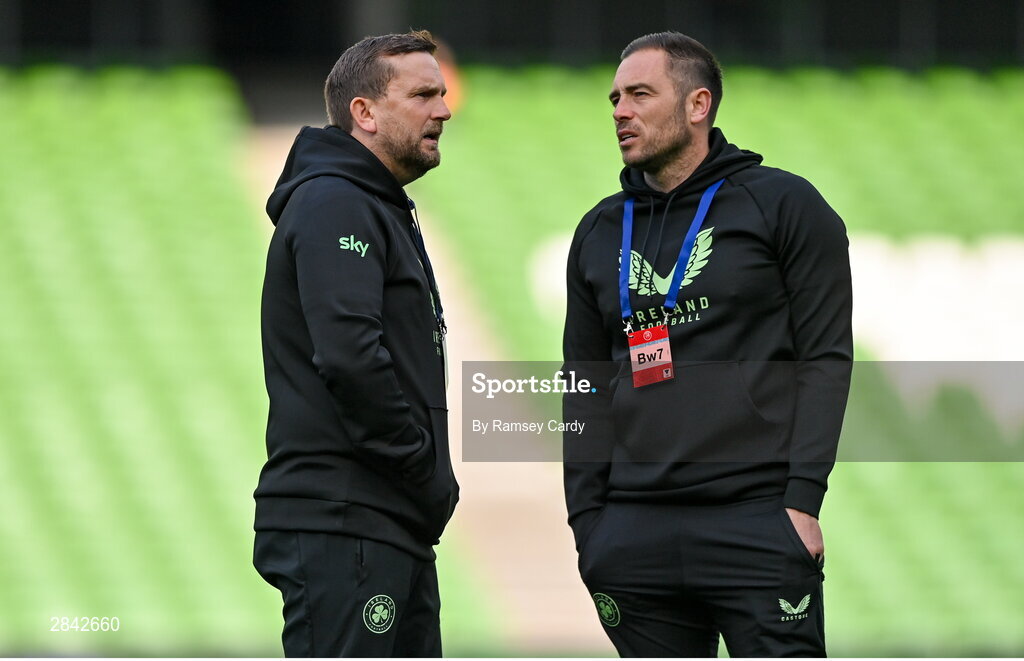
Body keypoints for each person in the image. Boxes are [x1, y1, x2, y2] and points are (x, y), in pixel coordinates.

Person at [562, 32, 852, 657]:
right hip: (631, 531)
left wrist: (801, 502)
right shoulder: (598, 229)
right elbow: (581, 384)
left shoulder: (783, 205)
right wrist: (588, 524)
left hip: (755, 519)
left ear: (698, 105)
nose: (619, 110)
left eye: (640, 94)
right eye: (614, 97)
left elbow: (825, 358)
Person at [252, 30, 458, 657]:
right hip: (347, 521)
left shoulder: (368, 203)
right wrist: (423, 471)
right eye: (423, 94)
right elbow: (349, 358)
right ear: (363, 114)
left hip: (379, 523)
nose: (444, 110)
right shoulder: (335, 202)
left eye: (442, 93)